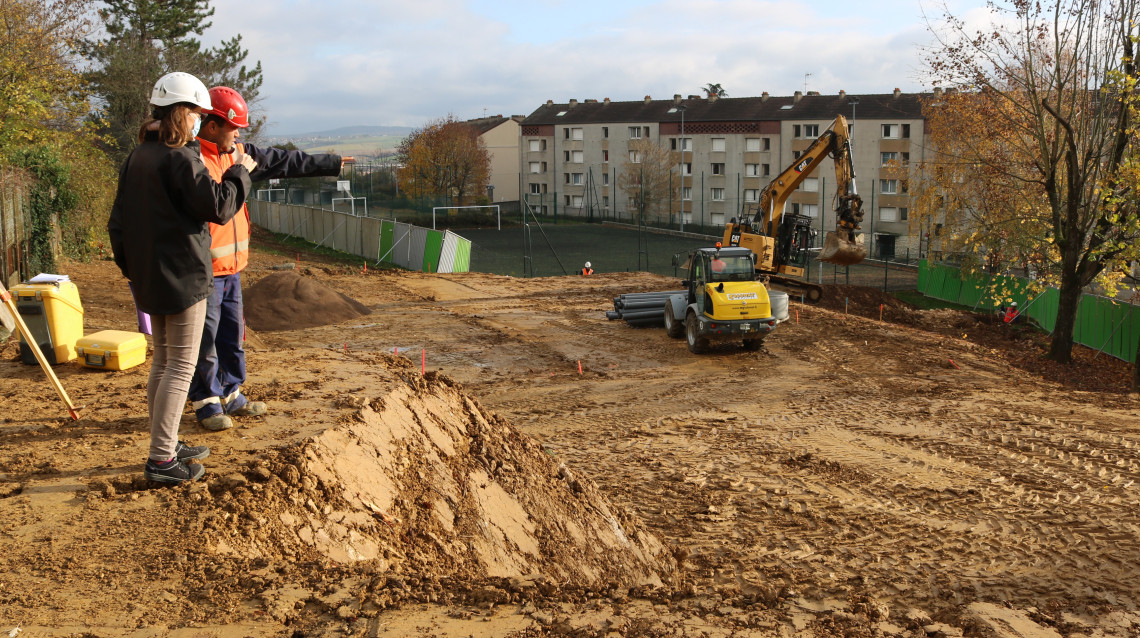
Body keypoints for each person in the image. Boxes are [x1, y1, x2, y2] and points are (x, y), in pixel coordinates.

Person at [107, 72, 257, 483]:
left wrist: (133, 271)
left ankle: (167, 443)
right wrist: (240, 172)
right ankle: (161, 461)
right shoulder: (180, 156)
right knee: (179, 367)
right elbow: (219, 207)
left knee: (163, 361)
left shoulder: (138, 155)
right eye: (195, 112)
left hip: (150, 278)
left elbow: (117, 222)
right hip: (184, 279)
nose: (197, 121)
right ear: (181, 111)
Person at [189, 86, 343, 432]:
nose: (239, 134)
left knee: (231, 334)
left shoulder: (237, 154)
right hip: (204, 271)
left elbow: (283, 160)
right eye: (234, 127)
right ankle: (206, 401)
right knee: (206, 338)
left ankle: (231, 392)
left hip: (233, 269)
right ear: (211, 126)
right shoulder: (192, 161)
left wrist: (330, 163)